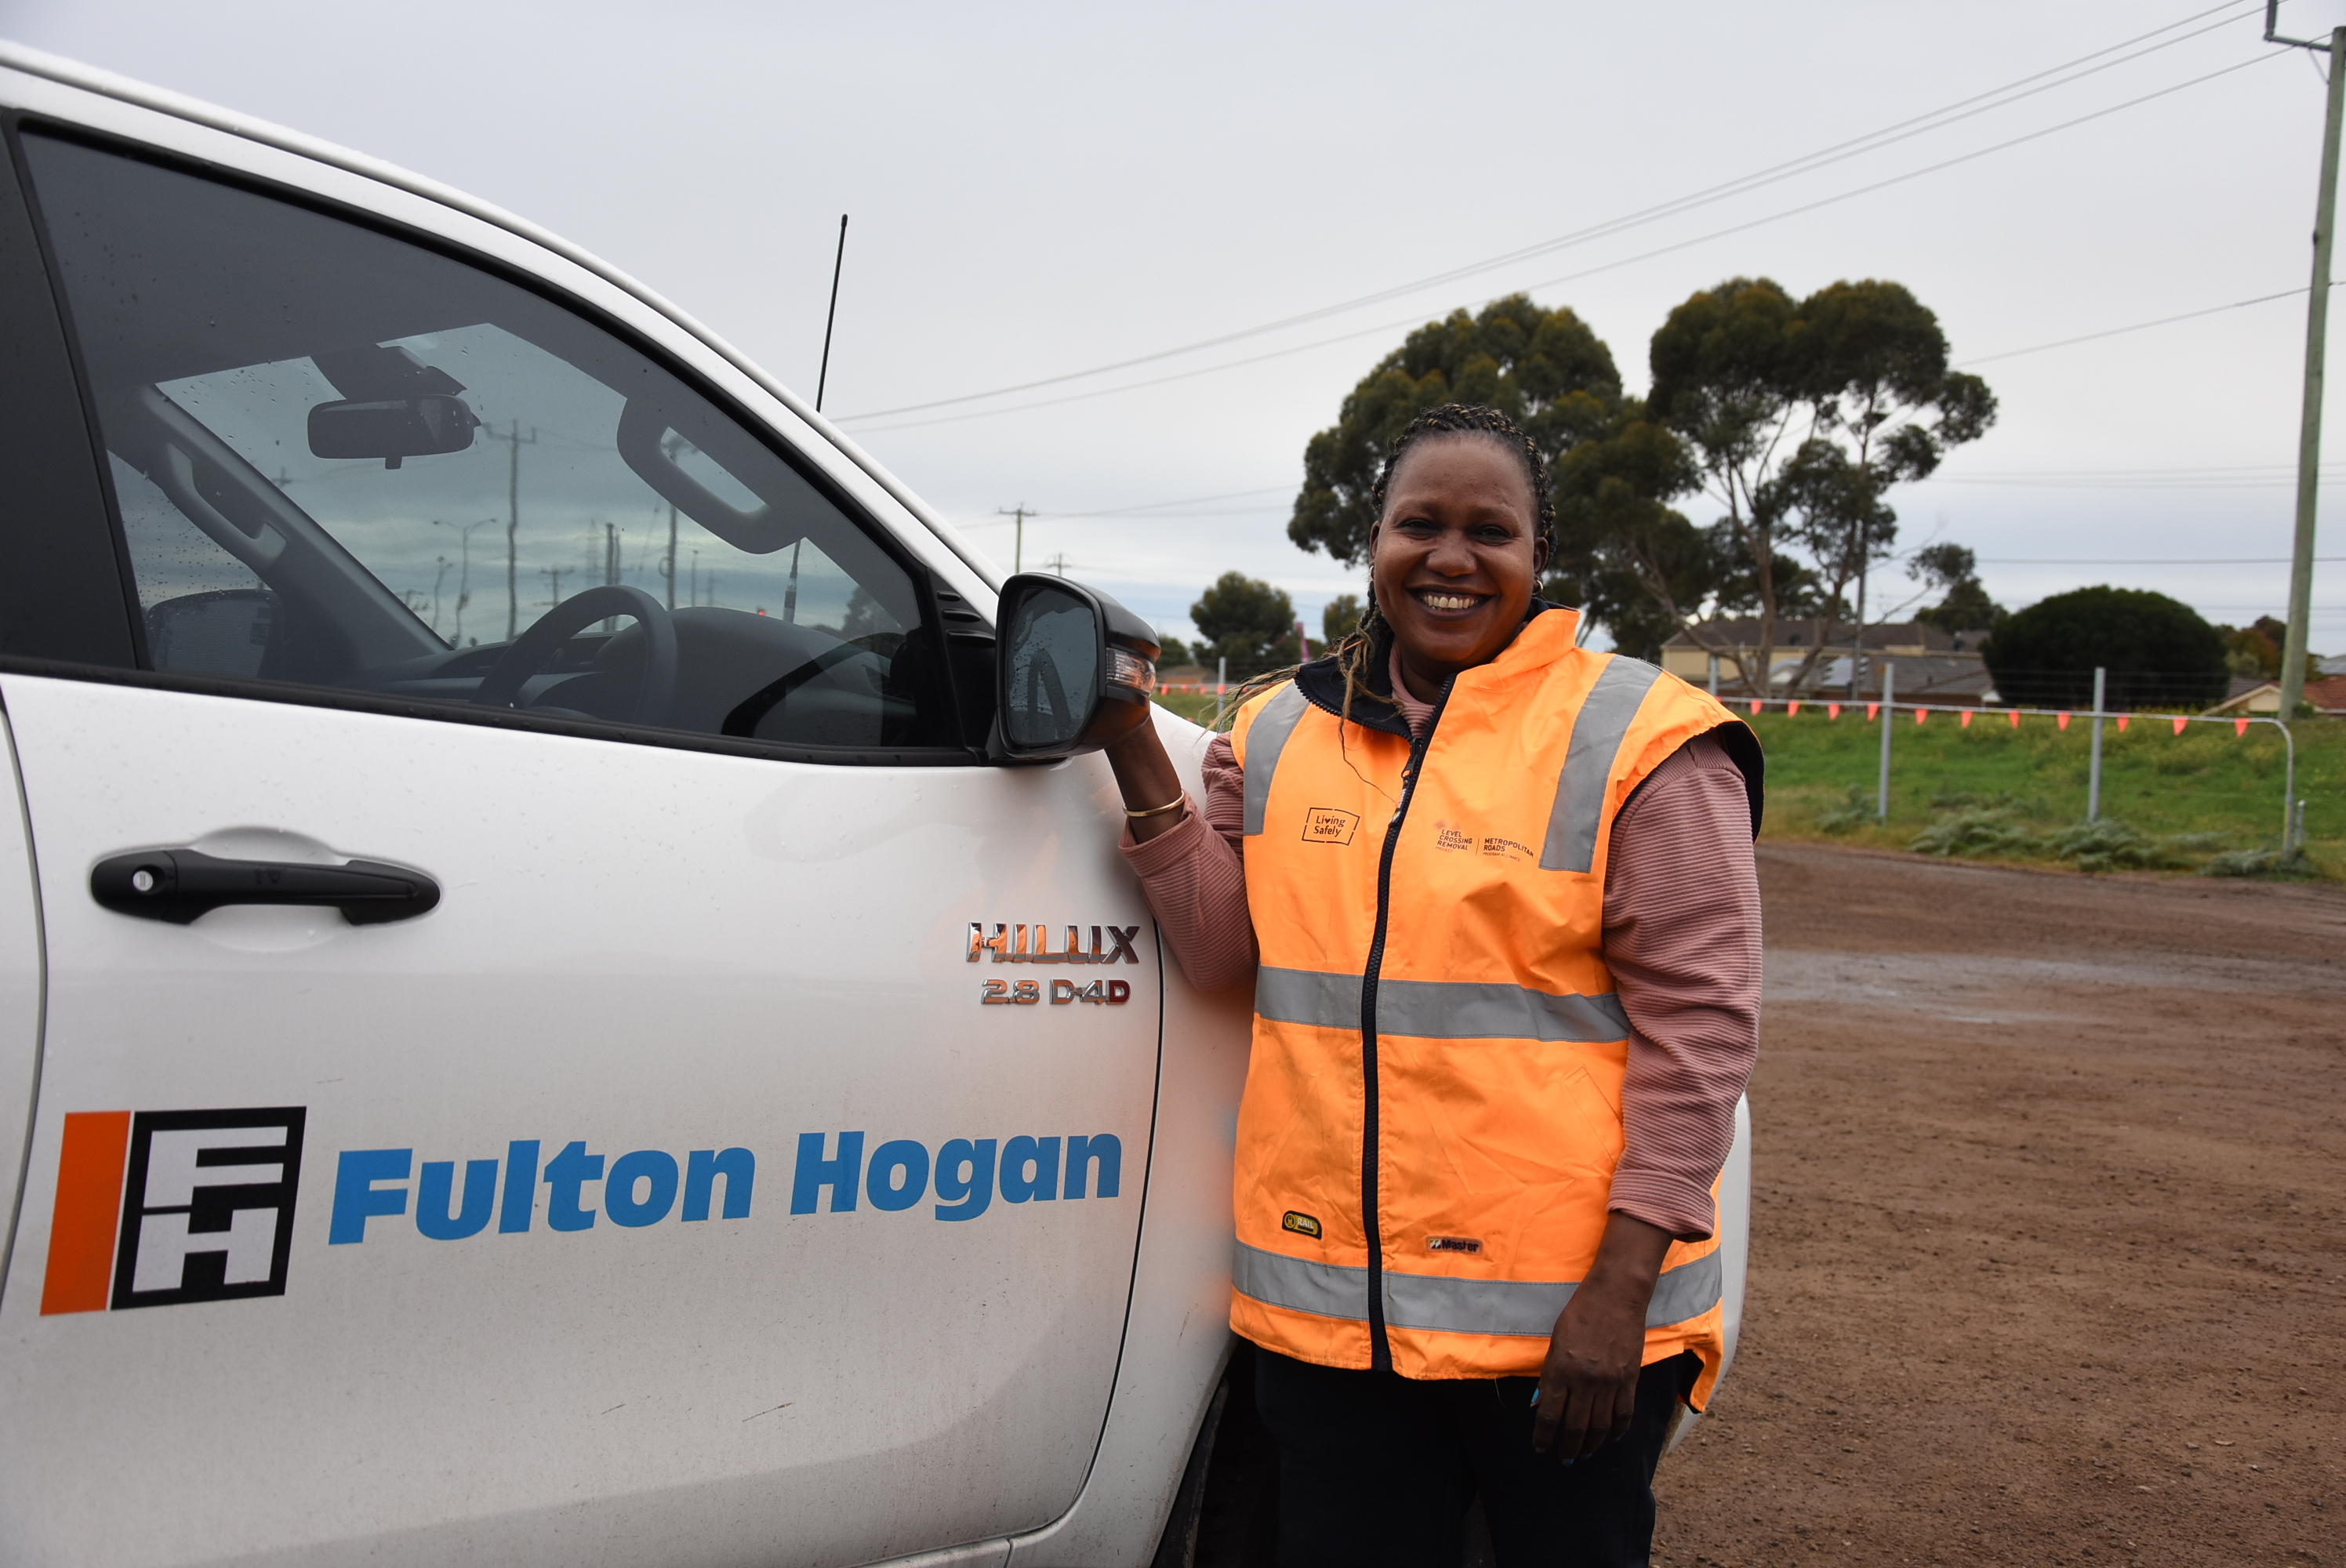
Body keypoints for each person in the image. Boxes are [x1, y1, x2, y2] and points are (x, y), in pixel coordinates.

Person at [1099, 404, 1763, 1567]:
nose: (1451, 559)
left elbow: (1699, 1033)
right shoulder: (1275, 730)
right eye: (1421, 524)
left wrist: (1619, 1297)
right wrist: (1129, 744)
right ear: (1374, 543)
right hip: (1335, 1330)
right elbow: (1220, 955)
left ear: (1538, 559)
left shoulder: (1646, 739)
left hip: (1564, 1335)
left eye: (1489, 532)